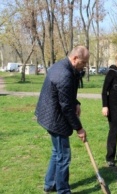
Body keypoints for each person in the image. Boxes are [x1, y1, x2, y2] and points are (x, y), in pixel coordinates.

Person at [35, 46, 88, 193]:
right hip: (55, 118)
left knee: (56, 152)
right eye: (84, 62)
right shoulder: (64, 74)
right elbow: (66, 107)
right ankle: (63, 190)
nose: (85, 65)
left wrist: (76, 102)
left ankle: (49, 184)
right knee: (63, 156)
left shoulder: (62, 66)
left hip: (48, 114)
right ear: (75, 58)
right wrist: (79, 128)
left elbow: (66, 94)